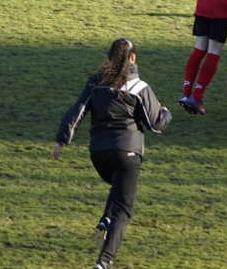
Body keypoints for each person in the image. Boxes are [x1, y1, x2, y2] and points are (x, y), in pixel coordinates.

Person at [52, 38, 172, 269]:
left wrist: (61, 141)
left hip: (98, 154)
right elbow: (155, 124)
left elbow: (76, 112)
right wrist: (166, 113)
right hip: (127, 153)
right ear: (133, 59)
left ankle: (106, 219)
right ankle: (104, 262)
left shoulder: (95, 84)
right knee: (124, 208)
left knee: (117, 187)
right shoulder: (139, 87)